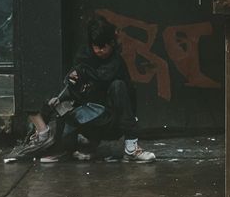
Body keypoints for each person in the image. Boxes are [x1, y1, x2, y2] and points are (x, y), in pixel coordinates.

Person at [39, 15, 155, 163]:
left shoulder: (116, 63)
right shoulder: (83, 57)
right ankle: (65, 148)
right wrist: (62, 96)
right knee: (61, 103)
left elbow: (104, 80)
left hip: (112, 121)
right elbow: (74, 86)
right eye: (96, 46)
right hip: (90, 118)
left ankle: (131, 148)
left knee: (118, 86)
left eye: (103, 46)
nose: (100, 50)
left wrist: (83, 72)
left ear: (111, 43)